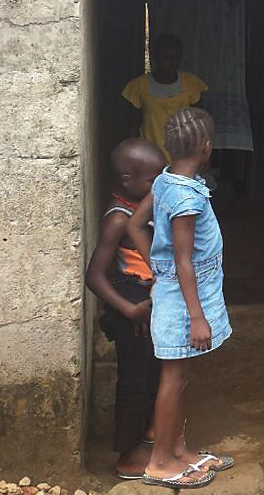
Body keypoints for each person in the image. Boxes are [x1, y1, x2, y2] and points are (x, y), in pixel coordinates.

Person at [127, 107, 234, 490]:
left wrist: (158, 271)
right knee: (172, 378)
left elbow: (135, 224)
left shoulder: (165, 180)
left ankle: (179, 451)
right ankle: (159, 462)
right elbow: (184, 261)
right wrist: (197, 317)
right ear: (207, 148)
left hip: (181, 291)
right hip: (188, 300)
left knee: (181, 375)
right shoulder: (186, 199)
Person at [83, 138, 165, 480]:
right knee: (133, 378)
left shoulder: (142, 206)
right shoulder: (118, 218)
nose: (159, 183)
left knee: (152, 370)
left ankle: (149, 429)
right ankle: (127, 456)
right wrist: (129, 311)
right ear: (128, 181)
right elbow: (94, 277)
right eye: (153, 178)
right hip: (129, 304)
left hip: (145, 301)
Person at [122, 33, 208, 161]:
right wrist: (131, 155)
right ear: (156, 56)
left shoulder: (191, 84)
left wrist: (203, 154)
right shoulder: (139, 86)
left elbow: (201, 123)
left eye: (176, 57)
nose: (171, 62)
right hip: (149, 157)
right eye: (166, 57)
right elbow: (133, 124)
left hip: (182, 157)